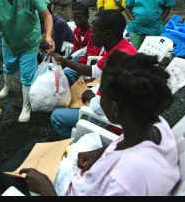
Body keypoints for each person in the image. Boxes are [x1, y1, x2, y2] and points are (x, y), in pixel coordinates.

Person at [0, 50, 180, 196]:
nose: (98, 97)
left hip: (62, 190)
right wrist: (102, 153)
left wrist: (47, 190)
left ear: (115, 109)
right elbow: (126, 145)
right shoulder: (155, 125)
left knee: (7, 173)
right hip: (85, 177)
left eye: (102, 94)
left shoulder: (126, 181)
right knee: (32, 148)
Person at [50, 10, 138, 138]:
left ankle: (82, 143)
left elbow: (99, 107)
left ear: (108, 34)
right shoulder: (123, 48)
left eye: (94, 31)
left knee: (56, 116)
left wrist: (90, 95)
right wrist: (64, 61)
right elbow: (95, 70)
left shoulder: (114, 63)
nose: (91, 34)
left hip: (115, 125)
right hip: (129, 114)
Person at [63, 4, 105, 87]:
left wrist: (68, 63)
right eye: (74, 18)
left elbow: (89, 57)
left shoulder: (93, 34)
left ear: (87, 17)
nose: (76, 20)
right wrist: (66, 59)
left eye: (79, 17)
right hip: (80, 58)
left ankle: (78, 90)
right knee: (55, 65)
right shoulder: (76, 31)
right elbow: (76, 49)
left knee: (66, 72)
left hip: (91, 61)